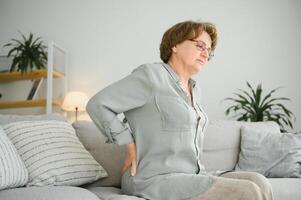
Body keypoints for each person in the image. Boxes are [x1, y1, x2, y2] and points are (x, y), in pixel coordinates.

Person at [86, 20, 273, 200]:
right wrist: (128, 144)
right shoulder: (151, 76)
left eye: (209, 50)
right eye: (200, 45)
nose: (206, 53)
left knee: (260, 181)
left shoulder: (195, 89)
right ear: (175, 45)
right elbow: (98, 104)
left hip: (192, 175)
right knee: (248, 191)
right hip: (154, 178)